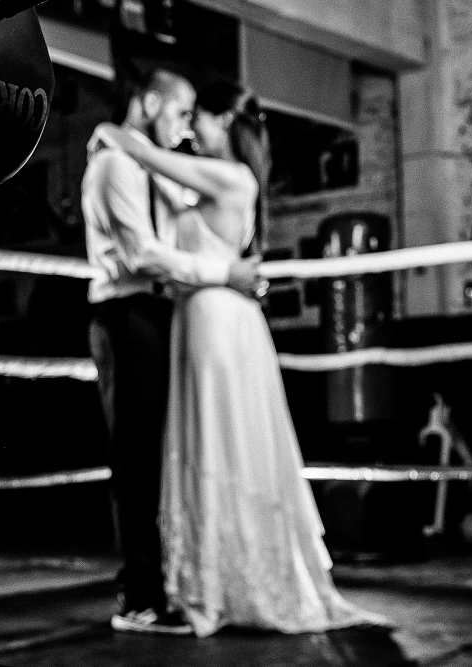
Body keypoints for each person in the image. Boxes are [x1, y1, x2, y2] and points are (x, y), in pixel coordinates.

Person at [90, 80, 389, 637]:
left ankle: (233, 577)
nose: (188, 127)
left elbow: (147, 156)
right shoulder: (203, 182)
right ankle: (212, 577)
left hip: (216, 324)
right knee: (209, 445)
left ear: (225, 122)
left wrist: (112, 132)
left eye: (196, 116)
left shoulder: (231, 176)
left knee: (223, 442)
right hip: (200, 320)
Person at [81, 70, 260, 635]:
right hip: (128, 312)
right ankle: (140, 598)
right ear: (151, 101)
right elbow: (142, 256)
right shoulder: (114, 166)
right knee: (136, 458)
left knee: (160, 456)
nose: (185, 128)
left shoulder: (143, 164)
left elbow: (188, 211)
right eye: (181, 113)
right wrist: (223, 272)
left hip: (159, 316)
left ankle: (170, 583)